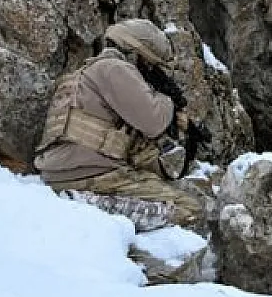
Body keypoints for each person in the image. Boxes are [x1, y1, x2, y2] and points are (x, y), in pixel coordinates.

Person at [34, 19, 205, 230]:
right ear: (136, 52)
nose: (152, 71)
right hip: (88, 176)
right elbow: (153, 122)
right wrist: (166, 101)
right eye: (151, 64)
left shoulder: (89, 73)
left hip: (69, 172)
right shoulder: (114, 68)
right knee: (189, 210)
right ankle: (92, 206)